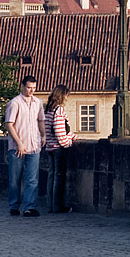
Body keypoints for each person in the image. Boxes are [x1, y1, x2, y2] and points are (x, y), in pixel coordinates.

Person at [5, 75, 46, 217]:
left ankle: (29, 207)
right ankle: (14, 206)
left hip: (34, 145)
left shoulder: (38, 103)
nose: (31, 91)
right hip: (18, 147)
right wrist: (19, 143)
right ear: (23, 86)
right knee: (15, 179)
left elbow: (41, 120)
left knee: (32, 178)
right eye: (29, 87)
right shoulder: (14, 103)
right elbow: (9, 125)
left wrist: (44, 135)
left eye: (34, 88)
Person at [44, 84, 75, 214]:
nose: (67, 99)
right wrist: (69, 141)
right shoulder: (59, 110)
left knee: (51, 176)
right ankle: (58, 206)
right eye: (66, 96)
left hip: (49, 146)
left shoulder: (48, 109)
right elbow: (60, 133)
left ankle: (50, 205)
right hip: (58, 148)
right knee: (59, 177)